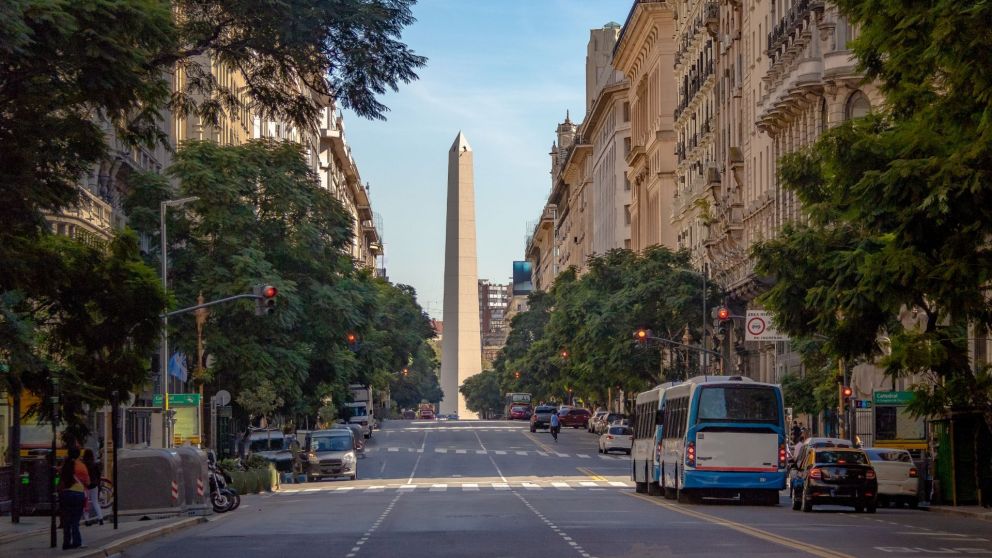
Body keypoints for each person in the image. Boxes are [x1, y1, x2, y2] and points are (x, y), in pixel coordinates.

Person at [59, 447, 90, 550]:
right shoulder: (82, 466)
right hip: (78, 494)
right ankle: (76, 542)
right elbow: (88, 482)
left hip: (65, 494)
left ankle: (66, 543)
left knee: (66, 520)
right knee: (75, 521)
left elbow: (61, 479)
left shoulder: (65, 466)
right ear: (78, 455)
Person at [81, 448, 103, 526]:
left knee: (85, 502)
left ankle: (87, 520)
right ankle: (100, 518)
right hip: (94, 485)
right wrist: (98, 484)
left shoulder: (83, 464)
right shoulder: (94, 464)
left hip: (85, 486)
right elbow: (98, 475)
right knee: (95, 502)